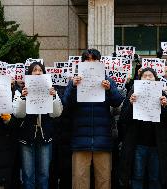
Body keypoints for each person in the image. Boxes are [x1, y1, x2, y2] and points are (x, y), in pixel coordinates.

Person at [62, 48, 124, 189]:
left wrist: (110, 89)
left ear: (99, 62)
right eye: (87, 59)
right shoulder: (74, 82)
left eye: (94, 59)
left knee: (103, 180)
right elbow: (66, 103)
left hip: (102, 139)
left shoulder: (107, 81)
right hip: (80, 139)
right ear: (82, 63)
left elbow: (117, 102)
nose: (90, 62)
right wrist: (73, 87)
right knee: (79, 180)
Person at [118, 67, 167, 189]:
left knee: (154, 178)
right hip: (138, 144)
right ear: (139, 79)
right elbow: (123, 119)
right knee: (137, 177)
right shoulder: (132, 95)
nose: (148, 78)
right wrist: (131, 104)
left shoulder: (163, 95)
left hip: (157, 145)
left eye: (151, 76)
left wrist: (165, 106)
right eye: (145, 76)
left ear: (156, 79)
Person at [13, 62, 63, 189]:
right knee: (28, 175)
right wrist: (23, 98)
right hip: (26, 137)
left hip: (45, 137)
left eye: (40, 70)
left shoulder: (51, 90)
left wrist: (54, 96)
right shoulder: (20, 92)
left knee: (44, 174)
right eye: (34, 70)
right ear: (29, 74)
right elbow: (18, 114)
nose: (37, 72)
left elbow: (56, 113)